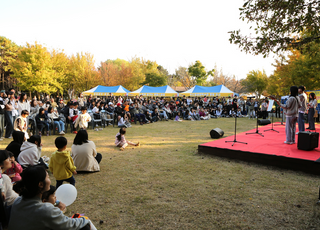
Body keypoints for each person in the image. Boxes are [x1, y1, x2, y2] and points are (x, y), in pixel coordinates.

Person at [8, 166, 91, 230]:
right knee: (85, 227)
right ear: (40, 184)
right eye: (47, 177)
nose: (50, 180)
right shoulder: (45, 209)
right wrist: (86, 220)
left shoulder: (18, 200)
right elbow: (69, 225)